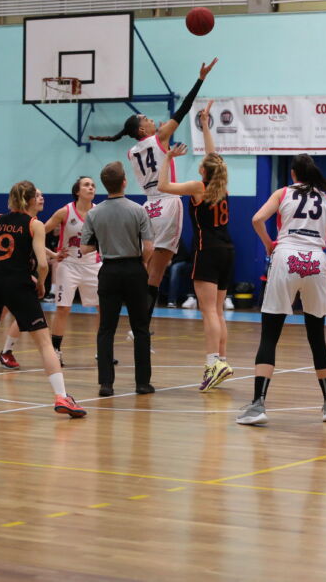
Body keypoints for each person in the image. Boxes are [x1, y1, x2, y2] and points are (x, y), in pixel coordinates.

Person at [89, 58, 217, 329]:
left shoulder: (131, 151)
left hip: (147, 206)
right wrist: (201, 78)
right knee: (156, 273)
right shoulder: (159, 137)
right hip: (168, 202)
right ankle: (140, 328)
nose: (150, 119)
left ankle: (133, 317)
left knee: (143, 265)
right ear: (141, 129)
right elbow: (183, 110)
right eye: (145, 119)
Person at [236, 154, 326, 425]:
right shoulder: (325, 198)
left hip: (286, 256)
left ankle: (258, 405)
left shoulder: (283, 192)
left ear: (293, 174)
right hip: (316, 261)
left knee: (270, 335)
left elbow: (256, 219)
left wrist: (268, 243)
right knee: (317, 337)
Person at [0, 181, 85, 417]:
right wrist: (42, 283)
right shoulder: (34, 225)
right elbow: (42, 265)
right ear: (31, 200)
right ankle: (62, 397)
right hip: (19, 284)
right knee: (45, 343)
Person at [157, 100, 233, 391]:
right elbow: (215, 157)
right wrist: (204, 125)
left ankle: (213, 361)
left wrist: (167, 159)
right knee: (219, 311)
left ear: (203, 170)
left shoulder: (199, 187)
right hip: (228, 250)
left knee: (209, 311)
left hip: (208, 250)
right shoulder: (221, 184)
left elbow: (163, 187)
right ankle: (221, 360)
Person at [81, 161, 155, 397]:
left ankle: (106, 384)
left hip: (109, 271)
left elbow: (85, 248)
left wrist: (104, 242)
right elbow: (149, 246)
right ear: (124, 181)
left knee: (106, 329)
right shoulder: (138, 210)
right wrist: (142, 262)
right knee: (140, 328)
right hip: (134, 269)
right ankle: (142, 383)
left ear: (104, 185)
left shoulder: (93, 213)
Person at [43, 176, 102, 366]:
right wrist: (51, 253)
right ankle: (56, 351)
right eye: (86, 185)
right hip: (68, 265)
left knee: (103, 308)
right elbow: (39, 231)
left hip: (93, 265)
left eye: (93, 185)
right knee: (63, 309)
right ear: (77, 191)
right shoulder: (64, 212)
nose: (91, 187)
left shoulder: (99, 212)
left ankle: (102, 351)